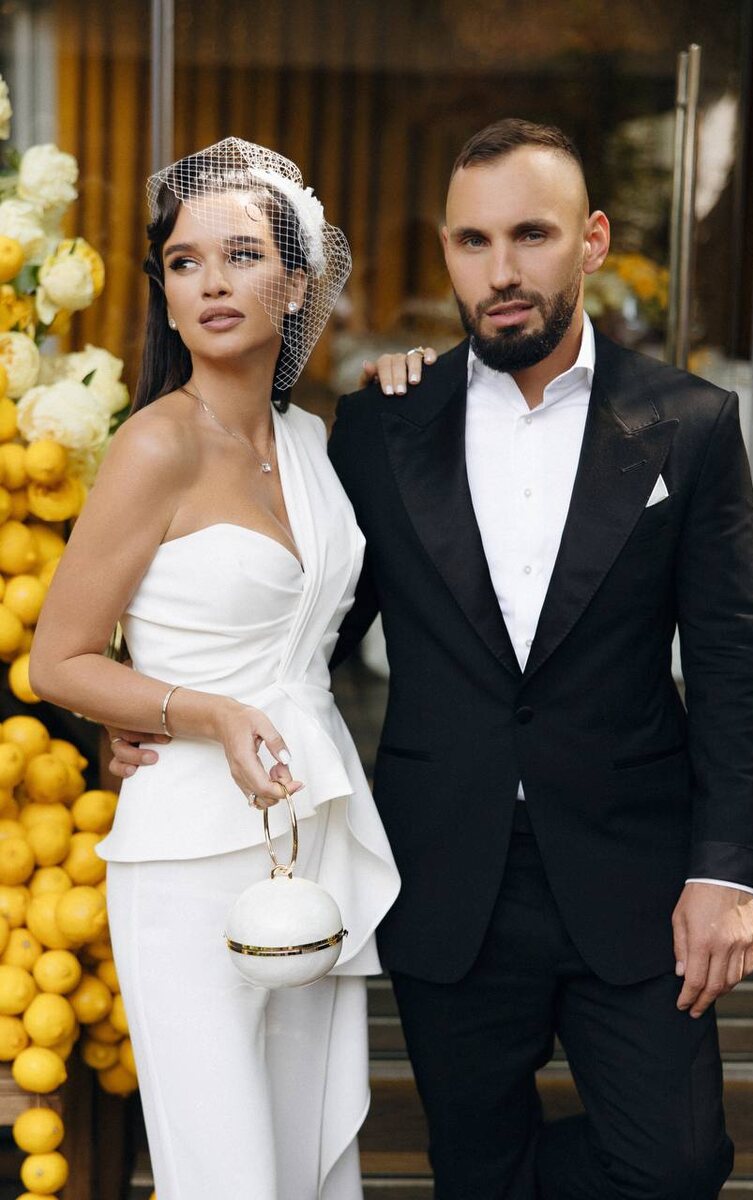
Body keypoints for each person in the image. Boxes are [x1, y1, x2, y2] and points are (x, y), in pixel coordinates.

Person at [111, 119, 753, 1200]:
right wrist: (151, 712)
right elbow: (305, 628)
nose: (499, 271)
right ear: (446, 253)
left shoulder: (690, 423)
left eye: (530, 235)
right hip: (445, 871)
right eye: (472, 241)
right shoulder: (381, 427)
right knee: (473, 1167)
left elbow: (732, 667)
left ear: (593, 241)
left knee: (676, 1163)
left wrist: (724, 871)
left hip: (638, 878)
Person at [29, 137, 403, 1200]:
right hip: (188, 848)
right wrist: (208, 714)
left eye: (241, 256)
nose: (210, 283)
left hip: (307, 830)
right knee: (225, 1170)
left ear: (297, 283)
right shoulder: (157, 444)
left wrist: (412, 378)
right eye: (184, 263)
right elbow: (58, 659)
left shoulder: (315, 442)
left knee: (303, 1155)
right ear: (165, 290)